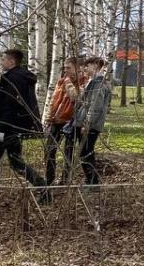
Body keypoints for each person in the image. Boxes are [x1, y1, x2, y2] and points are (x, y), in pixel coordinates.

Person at [0, 49, 47, 207]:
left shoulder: (13, 79)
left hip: (7, 129)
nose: (2, 62)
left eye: (4, 59)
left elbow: (9, 106)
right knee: (16, 163)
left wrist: (0, 130)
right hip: (14, 128)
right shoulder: (21, 77)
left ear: (11, 62)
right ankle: (43, 188)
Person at [74, 56, 113, 187]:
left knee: (86, 153)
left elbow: (96, 106)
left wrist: (87, 123)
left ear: (96, 65)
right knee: (84, 153)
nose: (85, 68)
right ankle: (90, 181)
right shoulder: (93, 82)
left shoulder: (99, 83)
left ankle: (92, 182)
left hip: (91, 125)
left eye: (87, 65)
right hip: (86, 122)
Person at [44, 57, 83, 185]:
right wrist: (49, 117)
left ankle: (65, 180)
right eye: (64, 68)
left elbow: (75, 98)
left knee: (68, 152)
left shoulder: (83, 81)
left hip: (71, 121)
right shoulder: (61, 82)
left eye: (68, 68)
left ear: (77, 68)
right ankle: (49, 179)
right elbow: (54, 100)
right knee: (49, 150)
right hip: (57, 120)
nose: (65, 70)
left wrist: (68, 83)